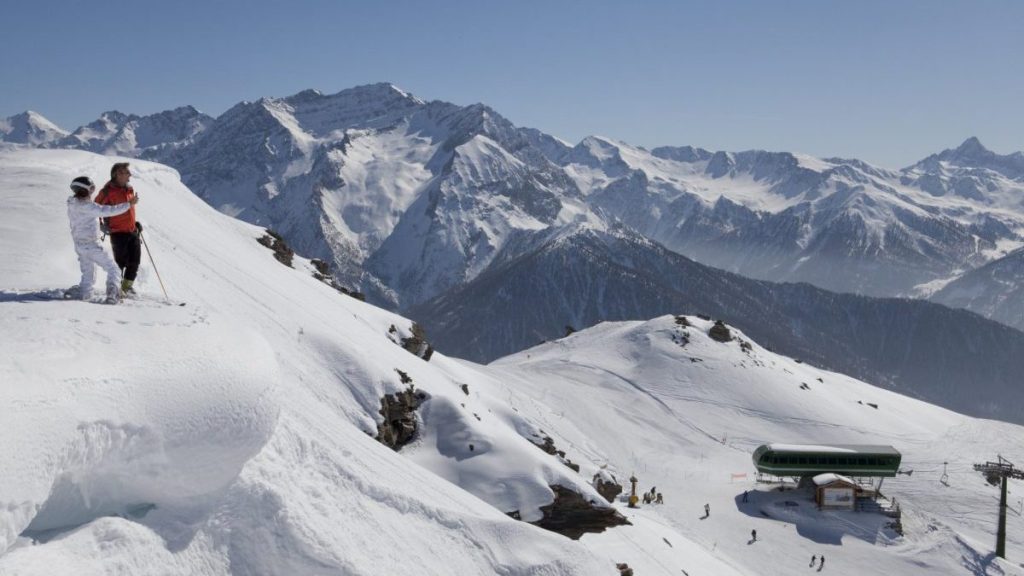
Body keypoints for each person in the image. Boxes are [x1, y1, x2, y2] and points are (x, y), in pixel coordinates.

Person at [66, 176, 138, 304]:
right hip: (92, 245)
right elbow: (109, 210)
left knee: (88, 271)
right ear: (85, 190)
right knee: (113, 269)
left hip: (80, 245)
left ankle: (85, 291)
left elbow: (87, 220)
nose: (92, 192)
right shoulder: (88, 207)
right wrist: (129, 204)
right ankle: (113, 294)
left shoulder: (73, 205)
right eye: (91, 189)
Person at [95, 162, 142, 295]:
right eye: (126, 172)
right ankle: (115, 288)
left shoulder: (129, 189)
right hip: (117, 232)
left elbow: (129, 209)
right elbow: (96, 207)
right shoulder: (107, 191)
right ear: (117, 174)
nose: (129, 174)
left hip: (132, 231)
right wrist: (102, 224)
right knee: (119, 263)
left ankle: (125, 288)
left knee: (134, 262)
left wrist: (135, 223)